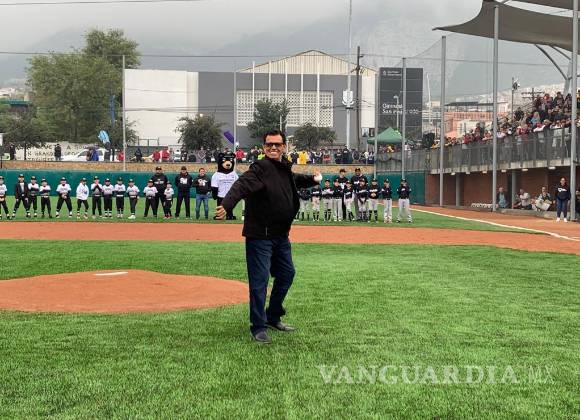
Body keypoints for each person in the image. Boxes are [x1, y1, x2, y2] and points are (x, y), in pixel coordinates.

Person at [214, 129, 322, 344]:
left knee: (287, 274)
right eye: (269, 144)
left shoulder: (283, 168)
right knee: (259, 281)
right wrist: (226, 204)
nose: (273, 147)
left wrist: (313, 179)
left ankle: (273, 316)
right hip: (260, 236)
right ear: (264, 147)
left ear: (284, 147)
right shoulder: (260, 168)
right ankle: (258, 326)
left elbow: (294, 179)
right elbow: (241, 185)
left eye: (277, 144)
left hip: (280, 236)